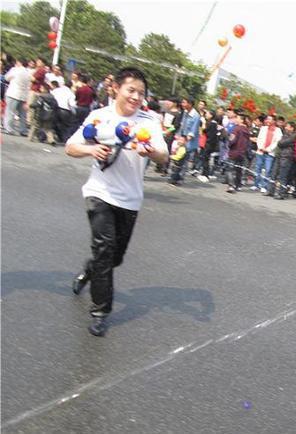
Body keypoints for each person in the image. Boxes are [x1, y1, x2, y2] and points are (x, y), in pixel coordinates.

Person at [65, 67, 168, 337]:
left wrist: (152, 151)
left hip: (130, 199)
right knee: (104, 249)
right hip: (99, 192)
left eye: (141, 93)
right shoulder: (100, 117)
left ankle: (90, 271)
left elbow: (164, 157)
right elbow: (71, 147)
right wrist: (91, 149)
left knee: (114, 258)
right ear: (116, 89)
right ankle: (101, 312)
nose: (136, 97)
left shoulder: (148, 122)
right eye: (131, 90)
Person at [253, 115, 282, 193]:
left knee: (268, 170)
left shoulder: (278, 131)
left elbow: (277, 142)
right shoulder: (263, 128)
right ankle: (256, 184)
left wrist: (268, 149)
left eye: (270, 119)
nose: (267, 121)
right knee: (257, 168)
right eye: (267, 119)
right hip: (260, 151)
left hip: (270, 153)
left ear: (274, 121)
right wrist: (260, 147)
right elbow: (259, 139)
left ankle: (264, 185)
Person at [3, 58, 31, 136]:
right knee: (22, 114)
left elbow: (6, 78)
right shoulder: (28, 72)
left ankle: (9, 129)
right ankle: (23, 130)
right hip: (23, 95)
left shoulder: (15, 70)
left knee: (10, 112)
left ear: (19, 63)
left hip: (13, 93)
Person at [226, 114, 251, 193]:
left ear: (242, 120)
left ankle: (231, 185)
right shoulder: (247, 130)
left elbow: (232, 140)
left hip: (234, 151)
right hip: (242, 153)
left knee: (229, 169)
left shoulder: (236, 129)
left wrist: (229, 144)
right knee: (238, 169)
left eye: (237, 118)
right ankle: (238, 185)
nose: (236, 119)